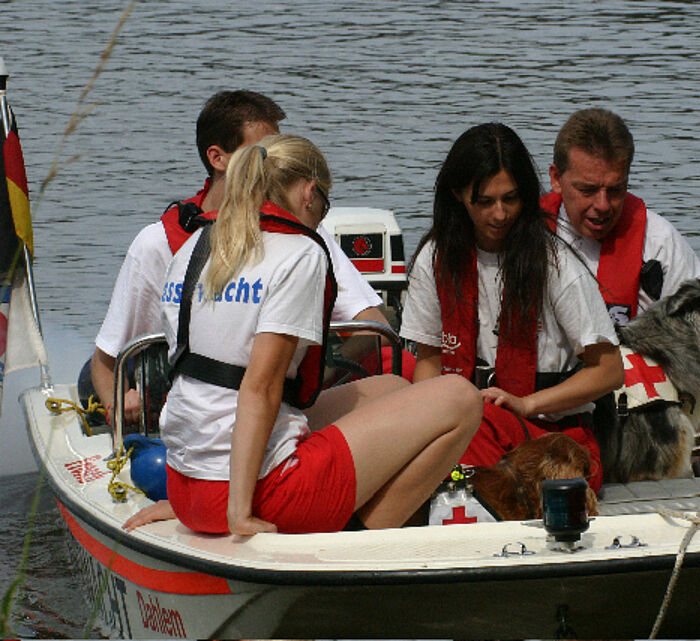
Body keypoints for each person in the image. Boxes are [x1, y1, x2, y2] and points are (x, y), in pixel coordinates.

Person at [156, 134, 480, 534]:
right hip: (258, 493)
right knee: (461, 398)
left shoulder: (196, 244)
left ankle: (330, 511)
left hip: (185, 487)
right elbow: (261, 387)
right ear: (310, 193)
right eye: (325, 206)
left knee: (392, 388)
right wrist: (238, 513)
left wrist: (193, 502)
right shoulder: (299, 254)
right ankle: (358, 539)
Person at [85, 90, 394, 425]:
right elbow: (104, 362)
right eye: (263, 155)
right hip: (202, 419)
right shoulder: (158, 244)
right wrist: (120, 404)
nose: (275, 166)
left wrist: (322, 372)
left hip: (274, 407)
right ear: (217, 158)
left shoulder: (305, 238)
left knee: (394, 384)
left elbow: (375, 326)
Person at [400, 123, 624, 494]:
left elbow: (609, 371)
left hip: (555, 441)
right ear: (458, 195)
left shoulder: (555, 264)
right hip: (467, 426)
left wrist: (526, 404)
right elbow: (429, 363)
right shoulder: (434, 259)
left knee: (476, 427)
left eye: (510, 199)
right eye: (485, 201)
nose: (500, 214)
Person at [542, 107, 700, 328]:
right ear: (556, 179)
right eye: (587, 190)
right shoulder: (524, 235)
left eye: (615, 190)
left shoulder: (659, 242)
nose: (602, 205)